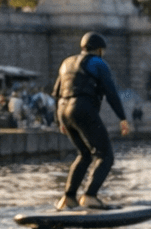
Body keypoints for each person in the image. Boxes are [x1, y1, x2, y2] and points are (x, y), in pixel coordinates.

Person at [52, 32, 132, 210]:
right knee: (106, 155)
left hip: (63, 111)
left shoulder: (66, 63)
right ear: (99, 50)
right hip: (82, 108)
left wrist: (59, 121)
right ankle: (89, 196)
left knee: (85, 154)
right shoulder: (98, 63)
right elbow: (110, 92)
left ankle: (68, 198)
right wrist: (122, 118)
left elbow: (56, 94)